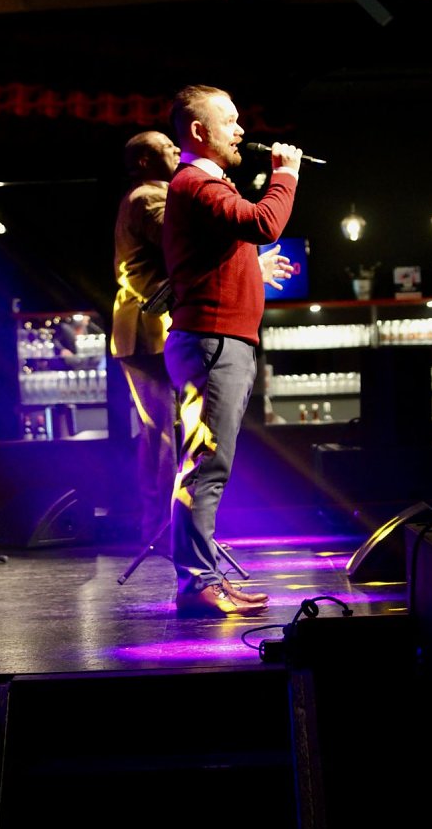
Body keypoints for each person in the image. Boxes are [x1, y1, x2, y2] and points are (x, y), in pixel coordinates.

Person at [162, 84, 302, 617]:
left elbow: (217, 255)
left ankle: (205, 577)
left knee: (209, 465)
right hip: (212, 346)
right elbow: (264, 222)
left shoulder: (205, 184)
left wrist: (252, 268)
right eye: (230, 120)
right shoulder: (196, 182)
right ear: (200, 131)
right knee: (204, 468)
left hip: (219, 344)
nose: (241, 130)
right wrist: (286, 175)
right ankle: (197, 583)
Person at [110, 131, 181, 554]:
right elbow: (177, 242)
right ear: (142, 161)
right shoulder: (148, 198)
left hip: (147, 326)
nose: (176, 150)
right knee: (163, 431)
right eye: (165, 146)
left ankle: (161, 524)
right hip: (147, 327)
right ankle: (163, 526)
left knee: (160, 431)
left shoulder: (155, 194)